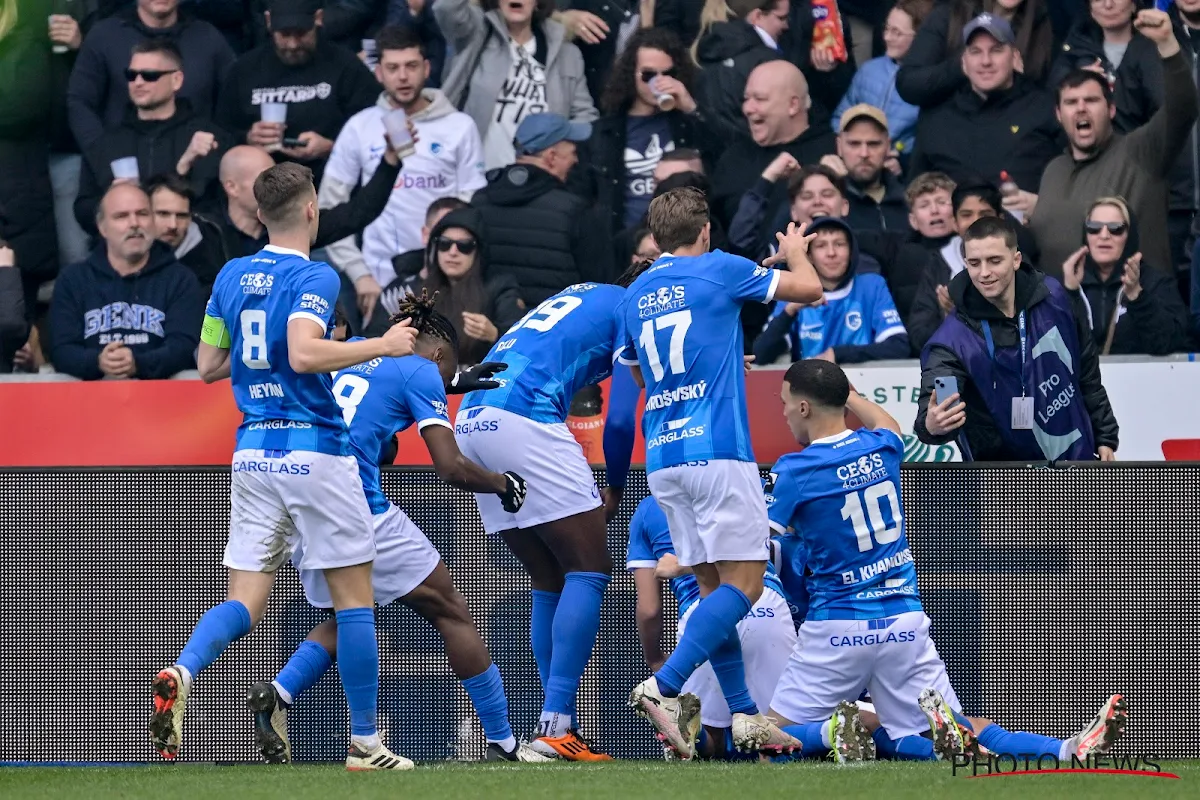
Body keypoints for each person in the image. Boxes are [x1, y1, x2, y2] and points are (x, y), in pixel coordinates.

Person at [150, 162, 420, 770]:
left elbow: (208, 363)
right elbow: (302, 352)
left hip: (252, 454)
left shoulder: (230, 273)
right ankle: (365, 744)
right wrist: (383, 343)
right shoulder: (314, 276)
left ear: (260, 213)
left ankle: (184, 669)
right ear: (310, 209)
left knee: (246, 601)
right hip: (315, 451)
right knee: (354, 604)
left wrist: (258, 360)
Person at [764, 359, 1128, 763]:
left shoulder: (794, 471)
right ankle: (1064, 750)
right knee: (952, 725)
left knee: (771, 737)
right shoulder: (882, 446)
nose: (781, 413)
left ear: (803, 408)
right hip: (904, 621)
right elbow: (888, 423)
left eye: (784, 403)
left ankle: (834, 732)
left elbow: (758, 545)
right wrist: (847, 393)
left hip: (839, 626)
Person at [246, 291, 531, 764]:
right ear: (438, 353)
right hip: (356, 505)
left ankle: (280, 692)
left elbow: (382, 393)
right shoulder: (422, 370)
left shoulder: (358, 350)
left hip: (302, 505)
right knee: (451, 610)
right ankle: (503, 742)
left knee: (348, 615)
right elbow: (451, 466)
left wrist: (455, 380)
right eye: (446, 372)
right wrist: (503, 484)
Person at [620, 187, 824, 759]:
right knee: (746, 586)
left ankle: (742, 714)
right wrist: (795, 251)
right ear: (706, 230)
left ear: (657, 238)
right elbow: (811, 290)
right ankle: (662, 688)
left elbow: (637, 375)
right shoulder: (722, 268)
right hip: (718, 451)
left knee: (710, 587)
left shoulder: (634, 295)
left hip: (662, 457)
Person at [453, 276, 641, 762]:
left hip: (472, 419)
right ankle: (556, 725)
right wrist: (616, 487)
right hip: (525, 415)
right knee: (590, 569)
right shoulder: (633, 308)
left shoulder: (579, 293)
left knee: (550, 578)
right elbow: (620, 419)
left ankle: (556, 726)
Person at [914, 216, 1120, 462]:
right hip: (1002, 482)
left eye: (994, 261)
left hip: (1074, 464)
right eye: (974, 263)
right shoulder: (950, 341)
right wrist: (933, 425)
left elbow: (1086, 370)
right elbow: (939, 407)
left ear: (1016, 260)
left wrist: (1104, 435)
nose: (984, 273)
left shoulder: (1053, 296)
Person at [322, 25, 486, 313]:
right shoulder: (360, 127)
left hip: (444, 278)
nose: (402, 76)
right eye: (393, 67)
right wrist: (360, 274)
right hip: (377, 280)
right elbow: (331, 203)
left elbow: (472, 205)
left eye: (411, 66)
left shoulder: (460, 126)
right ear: (379, 73)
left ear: (426, 68)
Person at [626, 494, 797, 762]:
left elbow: (649, 610)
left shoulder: (648, 509)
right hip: (763, 599)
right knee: (776, 732)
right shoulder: (737, 482)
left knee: (710, 742)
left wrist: (656, 660)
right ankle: (826, 734)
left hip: (701, 614)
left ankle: (691, 731)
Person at [1031, 8, 1198, 279]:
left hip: (1136, 311)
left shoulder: (1141, 152)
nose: (1081, 109)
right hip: (1065, 314)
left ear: (1111, 110)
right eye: (1072, 103)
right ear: (1059, 116)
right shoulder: (1054, 169)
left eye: (1092, 100)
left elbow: (1183, 107)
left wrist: (1168, 45)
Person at [48, 183, 204, 380]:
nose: (134, 223)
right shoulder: (73, 280)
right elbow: (61, 350)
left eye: (142, 214)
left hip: (163, 399)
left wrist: (138, 363)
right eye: (121, 216)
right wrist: (98, 361)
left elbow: (183, 346)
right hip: (88, 400)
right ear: (102, 228)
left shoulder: (181, 279)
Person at [75, 39, 228, 233]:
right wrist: (112, 200)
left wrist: (184, 169)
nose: (138, 82)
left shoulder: (207, 137)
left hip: (191, 250)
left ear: (177, 80)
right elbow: (82, 209)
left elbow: (214, 205)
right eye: (131, 75)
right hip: (125, 251)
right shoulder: (108, 142)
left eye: (150, 75)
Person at [435, 0, 598, 171]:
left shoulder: (567, 53)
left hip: (538, 182)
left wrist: (559, 147)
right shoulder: (477, 31)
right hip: (475, 176)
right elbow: (445, 7)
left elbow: (585, 116)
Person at [470, 113, 614, 306]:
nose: (576, 160)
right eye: (572, 152)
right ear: (551, 157)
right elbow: (601, 286)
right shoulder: (576, 210)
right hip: (559, 330)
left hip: (495, 330)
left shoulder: (479, 202)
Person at [753, 216, 909, 365]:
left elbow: (899, 346)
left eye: (839, 244)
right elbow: (760, 354)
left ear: (852, 251)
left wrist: (838, 354)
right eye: (821, 246)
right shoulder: (792, 290)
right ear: (810, 256)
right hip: (808, 388)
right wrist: (790, 311)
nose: (831, 253)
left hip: (862, 387)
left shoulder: (872, 285)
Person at [390, 207, 525, 366]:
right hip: (424, 379)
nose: (453, 252)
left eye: (464, 246)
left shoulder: (500, 287)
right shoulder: (415, 288)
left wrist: (494, 334)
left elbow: (521, 345)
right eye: (444, 244)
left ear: (478, 251)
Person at [1060, 196, 1189, 356]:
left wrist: (1137, 296)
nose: (1104, 235)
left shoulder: (1155, 282)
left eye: (1116, 228)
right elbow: (1048, 346)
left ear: (1130, 235)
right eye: (1094, 228)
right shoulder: (1067, 282)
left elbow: (1170, 344)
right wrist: (1070, 293)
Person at [832, 0, 929, 163]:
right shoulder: (869, 70)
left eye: (897, 32)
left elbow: (925, 141)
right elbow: (839, 119)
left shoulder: (929, 82)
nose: (887, 37)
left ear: (921, 37)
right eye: (887, 28)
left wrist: (903, 160)